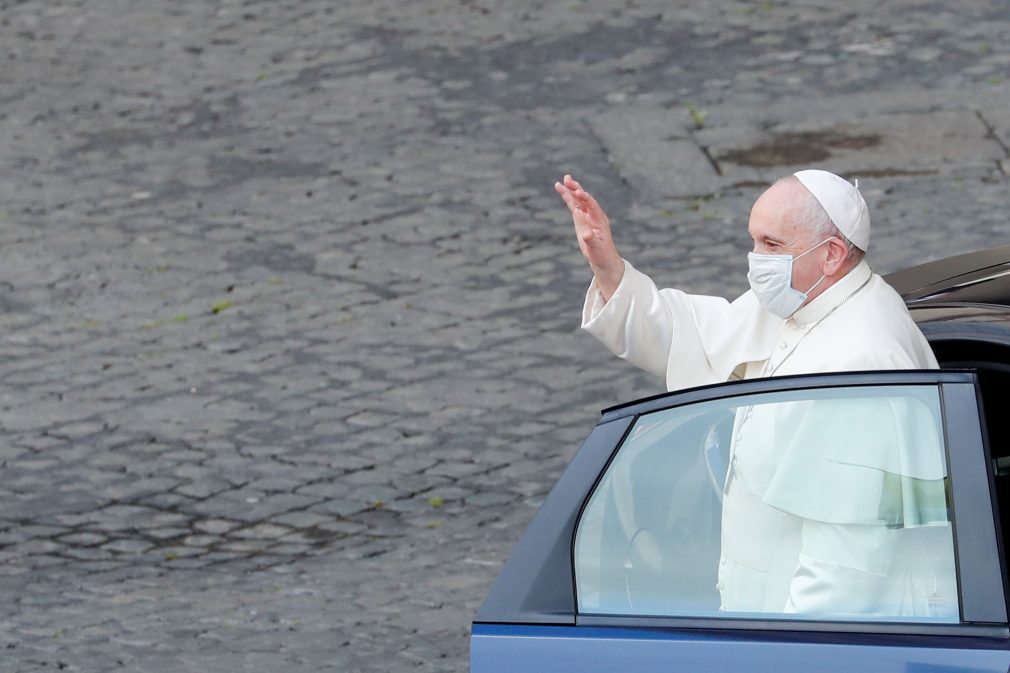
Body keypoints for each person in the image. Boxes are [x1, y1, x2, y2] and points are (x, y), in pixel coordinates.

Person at [555, 170, 949, 617]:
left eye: (772, 245)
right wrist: (608, 267)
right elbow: (693, 338)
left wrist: (783, 653)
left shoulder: (858, 360)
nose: (755, 260)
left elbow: (845, 563)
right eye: (754, 241)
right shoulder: (804, 300)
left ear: (831, 255)